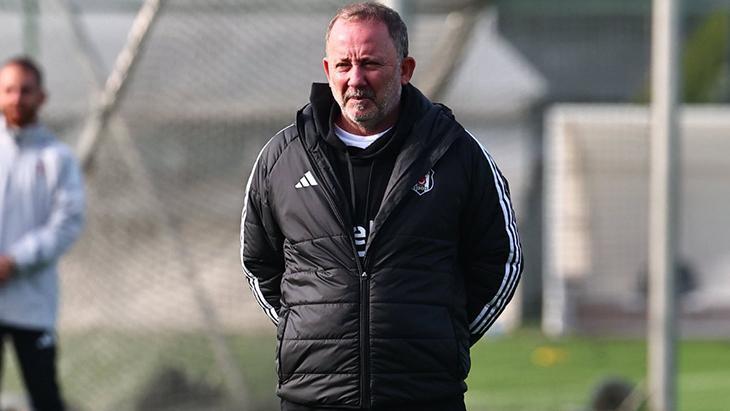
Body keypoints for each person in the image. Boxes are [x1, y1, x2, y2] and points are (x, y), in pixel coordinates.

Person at [240, 3, 522, 410]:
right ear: (327, 70)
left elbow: (501, 259)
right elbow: (259, 262)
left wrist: (446, 335)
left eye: (370, 64)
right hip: (312, 399)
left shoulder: (456, 153)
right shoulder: (283, 157)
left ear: (405, 69)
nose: (356, 79)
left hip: (424, 397)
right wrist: (305, 329)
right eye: (344, 65)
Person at [0, 56, 85, 411]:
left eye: (25, 90)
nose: (17, 98)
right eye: (9, 90)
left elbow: (67, 224)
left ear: (41, 96)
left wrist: (14, 261)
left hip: (32, 305)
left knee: (46, 398)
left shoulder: (57, 157)